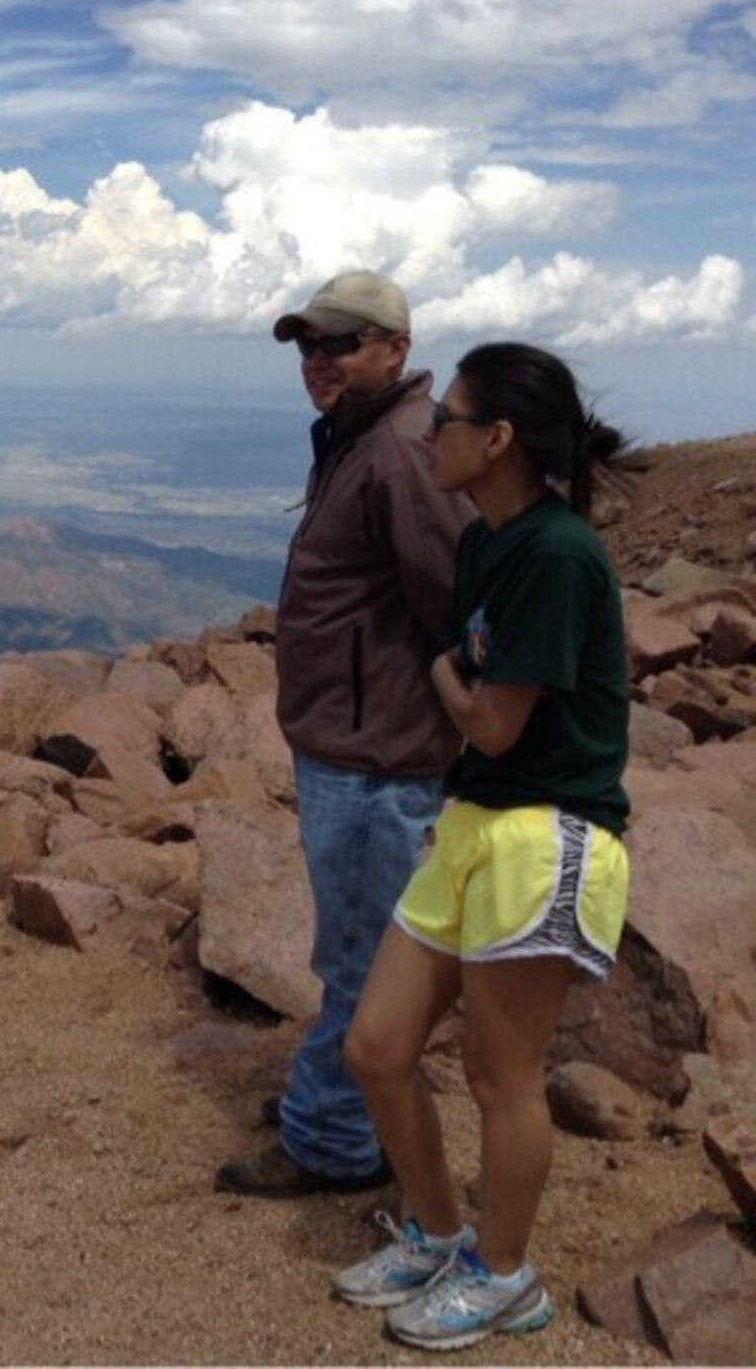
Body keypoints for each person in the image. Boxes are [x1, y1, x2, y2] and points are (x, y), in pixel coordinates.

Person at [330, 343, 635, 1350]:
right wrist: (456, 685)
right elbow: (481, 696)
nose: (429, 433)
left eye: (447, 417)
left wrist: (437, 676)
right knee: (376, 1046)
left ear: (496, 438)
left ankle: (504, 1274)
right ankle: (432, 1230)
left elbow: (493, 718)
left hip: (541, 833)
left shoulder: (554, 553)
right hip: (471, 824)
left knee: (501, 1077)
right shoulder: (484, 544)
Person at [217, 271, 472, 1197]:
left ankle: (331, 1139)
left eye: (341, 343)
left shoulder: (403, 450)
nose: (318, 361)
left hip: (376, 754)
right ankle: (335, 1096)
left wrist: (443, 710)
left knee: (363, 955)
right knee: (354, 944)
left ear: (395, 348)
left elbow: (458, 596)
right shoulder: (365, 437)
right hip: (351, 742)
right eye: (307, 346)